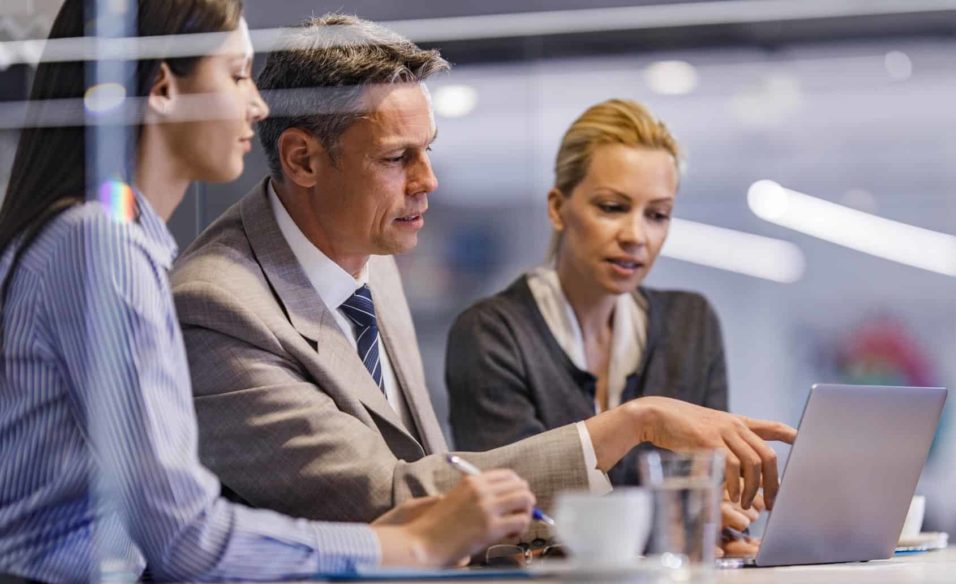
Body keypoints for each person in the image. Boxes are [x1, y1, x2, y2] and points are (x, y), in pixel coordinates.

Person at [0, 2, 534, 584]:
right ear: (164, 88)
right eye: (237, 75)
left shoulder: (115, 239)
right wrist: (398, 546)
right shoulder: (101, 246)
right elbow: (187, 537)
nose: (257, 105)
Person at [170, 15, 791, 539]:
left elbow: (432, 474)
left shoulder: (371, 255)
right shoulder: (217, 306)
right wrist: (631, 422)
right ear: (302, 159)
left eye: (427, 151)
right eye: (396, 158)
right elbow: (383, 496)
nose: (427, 181)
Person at [445, 99, 762, 553]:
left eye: (657, 214)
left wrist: (725, 525)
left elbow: (707, 498)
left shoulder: (690, 326)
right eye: (613, 207)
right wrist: (678, 525)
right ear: (558, 208)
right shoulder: (492, 334)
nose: (636, 235)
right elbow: (520, 518)